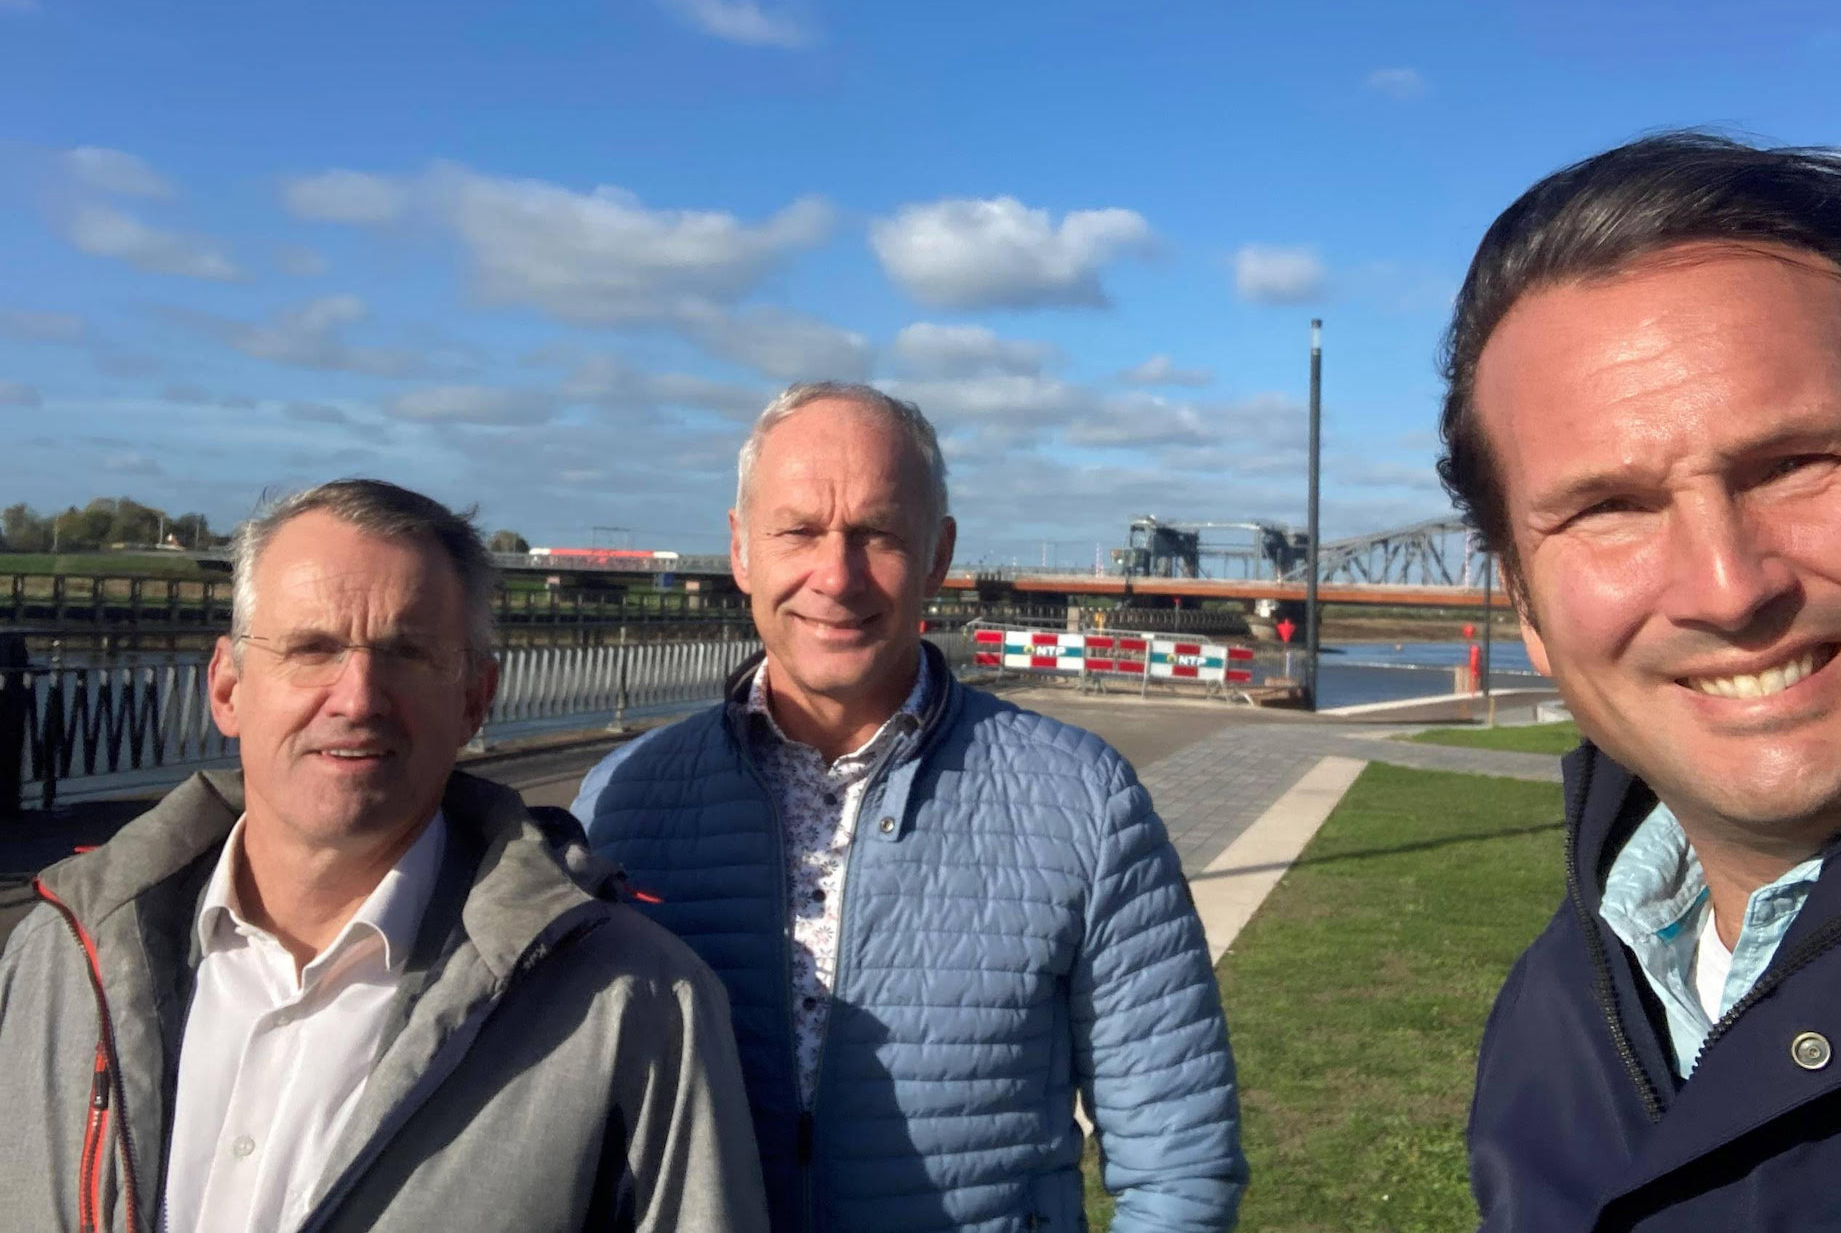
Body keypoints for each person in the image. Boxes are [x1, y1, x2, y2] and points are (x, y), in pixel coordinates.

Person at [0, 478, 767, 1233]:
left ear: (475, 699)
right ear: (228, 687)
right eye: (311, 648)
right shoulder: (56, 960)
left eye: (406, 653)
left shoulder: (634, 1003)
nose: (358, 697)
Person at [572, 383, 1245, 1233]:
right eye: (798, 530)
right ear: (740, 549)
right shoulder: (624, 802)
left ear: (937, 555)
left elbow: (1180, 1161)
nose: (836, 575)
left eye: (878, 533)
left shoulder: (1085, 800)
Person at [1445, 133, 1841, 1230]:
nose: (1728, 587)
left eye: (1795, 463)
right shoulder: (1559, 1007)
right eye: (1609, 507)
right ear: (1526, 608)